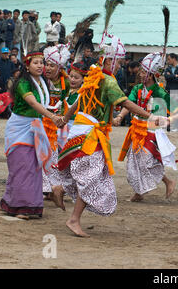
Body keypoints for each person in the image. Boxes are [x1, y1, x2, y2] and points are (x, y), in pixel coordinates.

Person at [52, 60, 163, 237]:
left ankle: (62, 191)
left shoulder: (91, 76)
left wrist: (65, 119)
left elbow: (78, 101)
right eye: (118, 61)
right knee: (91, 177)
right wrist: (150, 116)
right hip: (90, 135)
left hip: (79, 130)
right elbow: (126, 103)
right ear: (110, 61)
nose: (120, 65)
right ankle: (73, 218)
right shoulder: (108, 81)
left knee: (87, 174)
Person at [0, 51, 64, 219]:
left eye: (42, 62)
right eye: (36, 62)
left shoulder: (42, 82)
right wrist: (52, 117)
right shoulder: (22, 83)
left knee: (32, 166)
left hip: (34, 127)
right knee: (22, 165)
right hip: (19, 128)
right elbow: (32, 103)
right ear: (27, 66)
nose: (40, 65)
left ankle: (16, 202)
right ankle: (20, 207)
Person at [115, 51, 177, 202]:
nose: (140, 74)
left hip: (151, 130)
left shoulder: (160, 92)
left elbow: (173, 110)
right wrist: (120, 116)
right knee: (133, 163)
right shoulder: (137, 89)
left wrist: (168, 120)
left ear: (150, 74)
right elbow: (128, 104)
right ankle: (139, 192)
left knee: (147, 161)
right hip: (136, 129)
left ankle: (168, 181)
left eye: (143, 72)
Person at [41, 45, 71, 198]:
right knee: (41, 154)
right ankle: (45, 187)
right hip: (41, 122)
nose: (48, 68)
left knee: (58, 156)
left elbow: (68, 103)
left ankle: (56, 186)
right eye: (47, 64)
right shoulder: (40, 80)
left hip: (60, 125)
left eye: (52, 65)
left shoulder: (66, 81)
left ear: (59, 67)